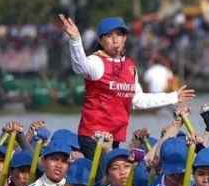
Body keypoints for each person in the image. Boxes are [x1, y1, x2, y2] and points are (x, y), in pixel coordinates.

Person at [58, 14, 195, 158]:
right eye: (109, 36)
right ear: (100, 40)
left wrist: (173, 97)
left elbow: (137, 100)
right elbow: (80, 66)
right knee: (101, 178)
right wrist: (75, 40)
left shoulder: (130, 66)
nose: (115, 39)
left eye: (119, 34)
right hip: (94, 136)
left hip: (115, 136)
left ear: (125, 38)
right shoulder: (95, 62)